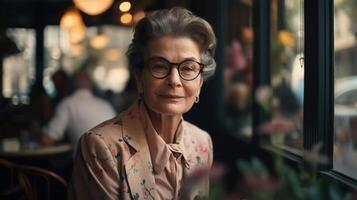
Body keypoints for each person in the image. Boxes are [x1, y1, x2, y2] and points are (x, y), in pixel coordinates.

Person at [69, 7, 216, 200]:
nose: (174, 80)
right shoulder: (101, 146)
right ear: (139, 78)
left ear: (200, 82)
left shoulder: (202, 143)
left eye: (188, 68)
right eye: (159, 66)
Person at [40, 69, 116, 156]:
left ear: (70, 85)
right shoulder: (106, 106)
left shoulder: (68, 104)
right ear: (91, 85)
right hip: (114, 166)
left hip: (86, 167)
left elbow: (47, 139)